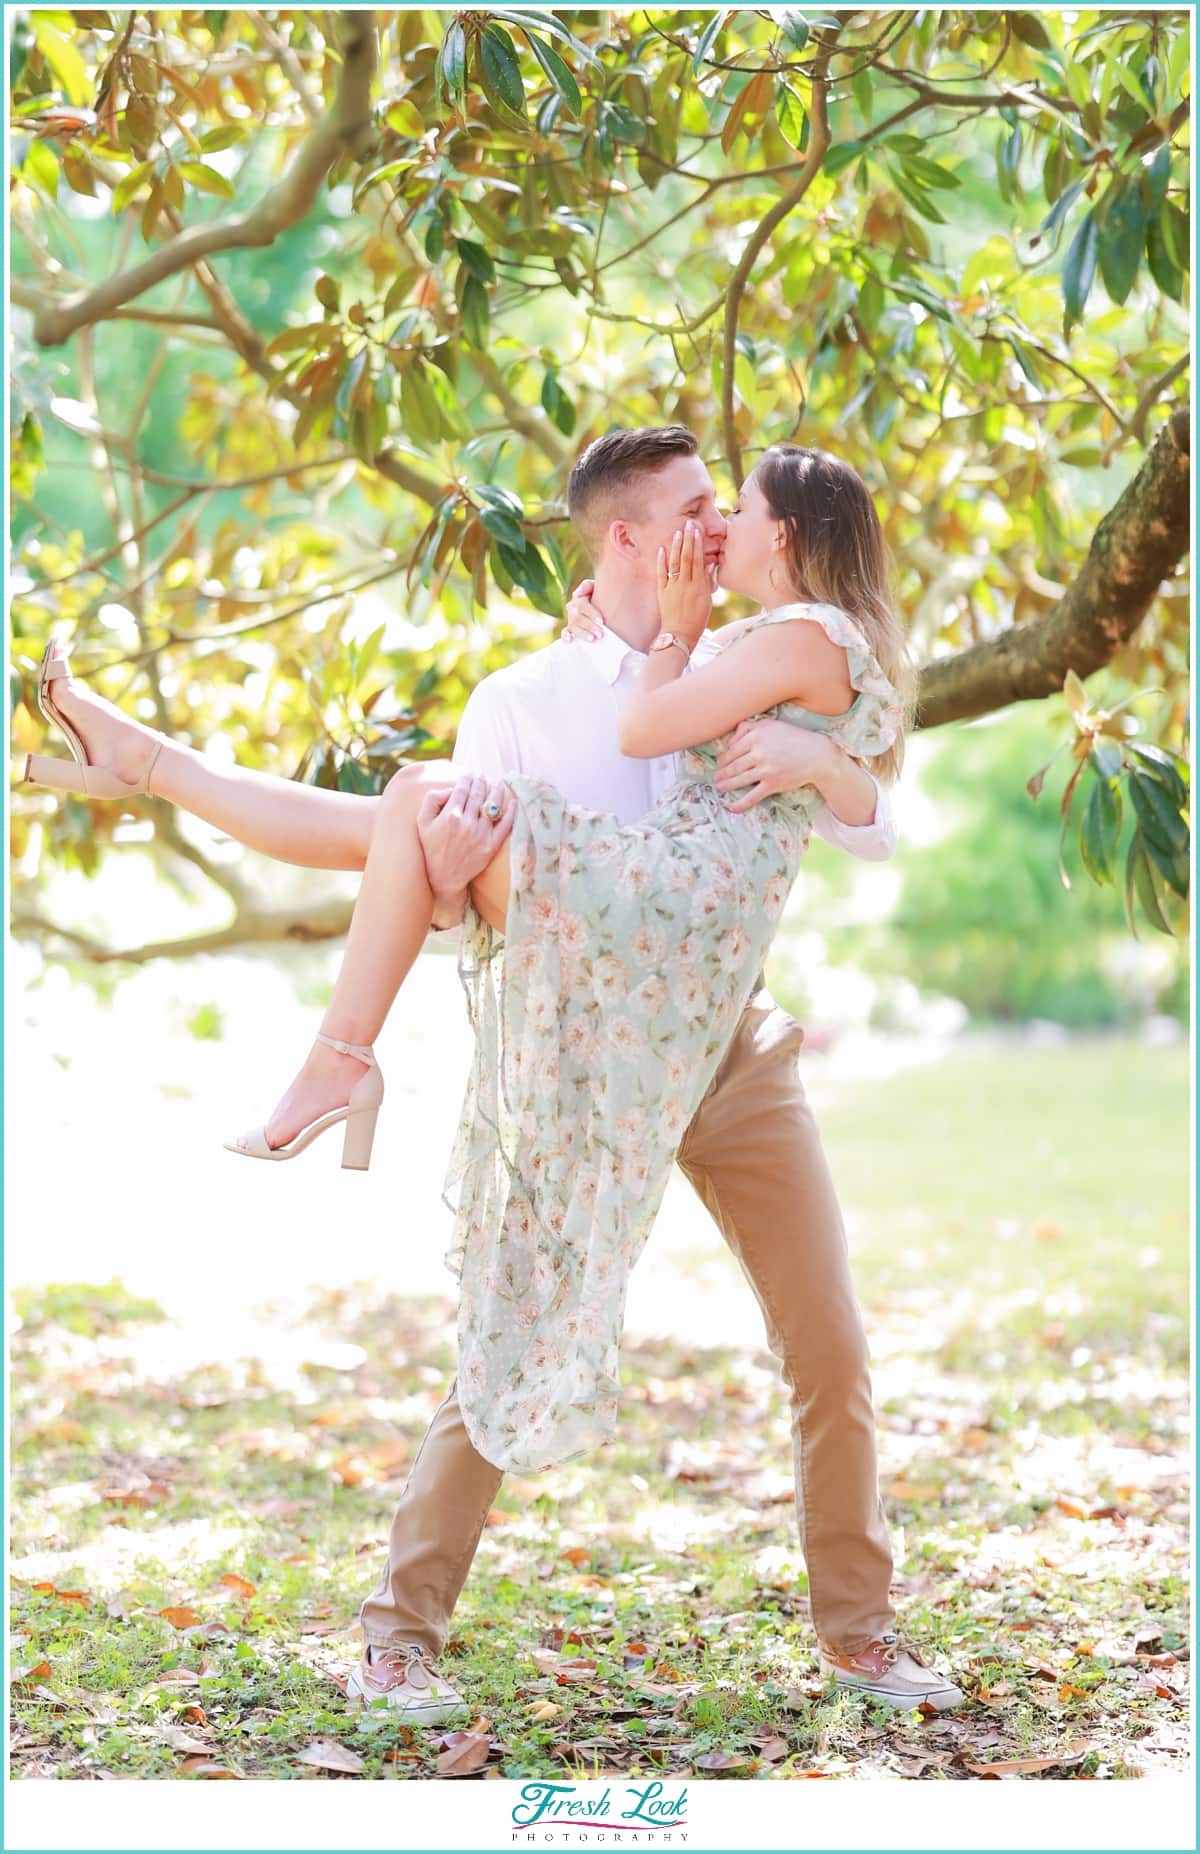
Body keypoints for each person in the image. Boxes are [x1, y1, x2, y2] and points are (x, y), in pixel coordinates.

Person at [21, 428, 964, 1718]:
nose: (710, 527)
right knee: (512, 1327)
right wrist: (461, 860)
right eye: (693, 509)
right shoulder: (527, 700)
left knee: (831, 1344)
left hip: (727, 1042)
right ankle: (399, 1635)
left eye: (723, 508)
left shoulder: (750, 651)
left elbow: (875, 821)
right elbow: (440, 885)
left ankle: (863, 1633)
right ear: (627, 539)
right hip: (582, 1047)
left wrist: (827, 764)